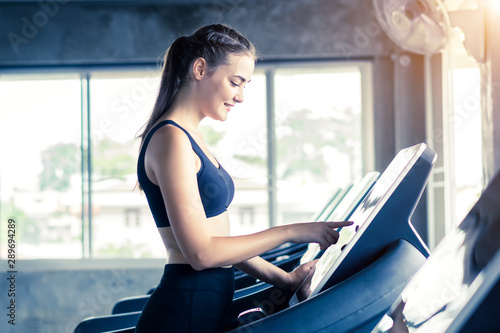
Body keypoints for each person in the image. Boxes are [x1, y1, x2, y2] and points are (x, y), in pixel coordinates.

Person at [134, 24, 353, 332]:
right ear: (200, 69)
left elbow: (221, 246)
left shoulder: (189, 137)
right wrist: (289, 231)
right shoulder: (171, 139)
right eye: (235, 82)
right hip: (182, 311)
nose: (241, 96)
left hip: (203, 305)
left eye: (245, 85)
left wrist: (286, 280)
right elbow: (201, 253)